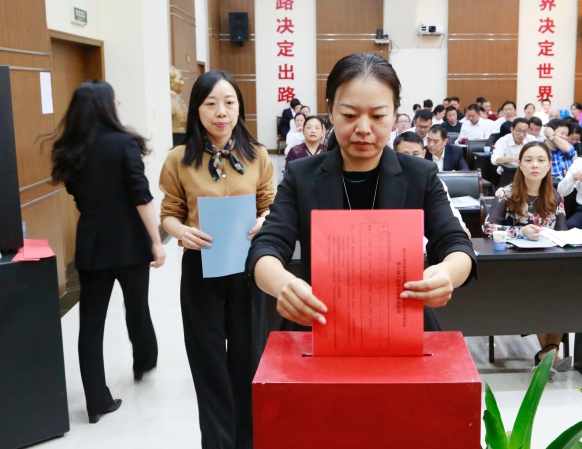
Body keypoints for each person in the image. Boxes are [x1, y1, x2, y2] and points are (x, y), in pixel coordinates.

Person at [246, 52, 476, 334]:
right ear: (330, 111)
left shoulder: (420, 175)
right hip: (319, 324)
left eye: (378, 116)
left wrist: (447, 273)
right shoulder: (301, 176)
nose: (363, 129)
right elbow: (266, 246)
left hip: (402, 326)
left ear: (394, 115)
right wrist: (283, 284)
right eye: (350, 115)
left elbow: (456, 243)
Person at [160, 71, 274, 448]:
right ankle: (217, 442)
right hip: (201, 267)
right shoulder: (178, 159)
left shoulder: (256, 155)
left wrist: (264, 220)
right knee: (208, 362)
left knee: (247, 357)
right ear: (197, 109)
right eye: (211, 103)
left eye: (229, 102)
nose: (221, 112)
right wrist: (181, 231)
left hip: (246, 268)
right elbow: (169, 213)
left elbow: (269, 203)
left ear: (239, 108)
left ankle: (247, 441)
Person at [45, 80, 165, 424]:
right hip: (129, 243)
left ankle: (96, 401)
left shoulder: (69, 149)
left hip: (92, 243)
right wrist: (156, 241)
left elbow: (78, 196)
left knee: (91, 322)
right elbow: (140, 195)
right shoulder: (124, 143)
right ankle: (144, 360)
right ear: (107, 106)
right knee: (137, 304)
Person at [482, 141, 570, 371]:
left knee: (565, 290)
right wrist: (520, 232)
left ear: (549, 165)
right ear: (520, 164)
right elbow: (488, 229)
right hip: (514, 264)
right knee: (538, 289)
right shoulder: (505, 193)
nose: (535, 165)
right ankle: (550, 353)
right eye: (529, 160)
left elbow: (562, 235)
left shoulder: (556, 196)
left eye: (541, 160)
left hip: (548, 264)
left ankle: (547, 353)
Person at [394, 131, 471, 237]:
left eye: (416, 154)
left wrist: (460, 229)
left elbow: (449, 213)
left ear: (424, 154)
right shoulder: (386, 183)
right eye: (405, 155)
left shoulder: (434, 182)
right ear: (394, 155)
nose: (411, 159)